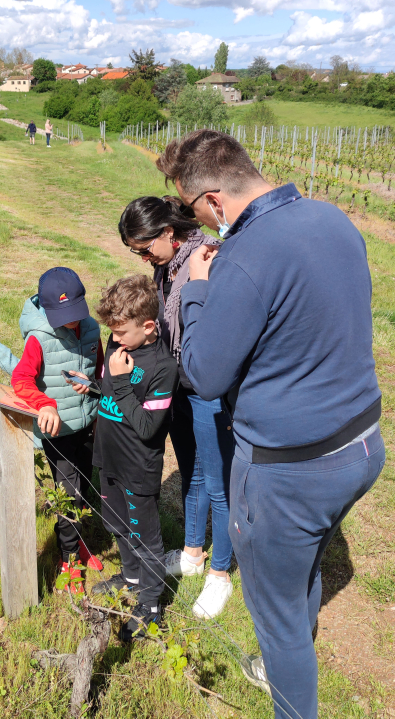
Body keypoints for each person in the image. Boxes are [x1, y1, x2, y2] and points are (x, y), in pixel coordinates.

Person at [157, 129, 385, 719]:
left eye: (189, 210)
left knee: (275, 618)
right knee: (302, 564)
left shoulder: (242, 257)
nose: (196, 224)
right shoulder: (331, 219)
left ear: (212, 200)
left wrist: (200, 291)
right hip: (361, 444)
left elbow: (205, 372)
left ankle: (288, 682)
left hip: (290, 471)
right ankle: (287, 660)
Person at [118, 196, 234, 618]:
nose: (144, 257)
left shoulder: (207, 259)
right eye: (136, 252)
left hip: (206, 387)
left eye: (145, 248)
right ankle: (191, 553)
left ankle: (220, 575)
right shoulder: (166, 265)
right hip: (179, 383)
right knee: (191, 473)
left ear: (168, 232)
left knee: (219, 482)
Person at [0, 267, 104, 591]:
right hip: (57, 433)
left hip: (89, 426)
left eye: (76, 313)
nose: (72, 322)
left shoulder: (91, 330)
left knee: (84, 488)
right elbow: (21, 379)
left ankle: (79, 543)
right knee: (67, 494)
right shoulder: (39, 339)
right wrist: (45, 404)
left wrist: (94, 386)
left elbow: (99, 370)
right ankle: (70, 560)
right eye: (64, 315)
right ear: (47, 310)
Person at [89, 275, 179, 641]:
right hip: (107, 458)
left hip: (137, 468)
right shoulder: (117, 350)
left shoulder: (163, 369)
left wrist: (122, 382)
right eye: (111, 331)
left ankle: (152, 605)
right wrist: (95, 385)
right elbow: (112, 393)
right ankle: (129, 577)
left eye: (122, 332)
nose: (114, 339)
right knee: (118, 527)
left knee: (145, 537)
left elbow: (147, 428)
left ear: (148, 326)